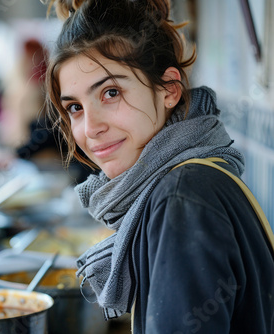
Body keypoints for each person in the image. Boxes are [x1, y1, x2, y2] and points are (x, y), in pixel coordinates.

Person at [45, 0, 274, 332]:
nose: (91, 127)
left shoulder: (180, 197)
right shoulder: (193, 177)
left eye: (110, 92)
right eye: (75, 108)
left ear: (169, 89)